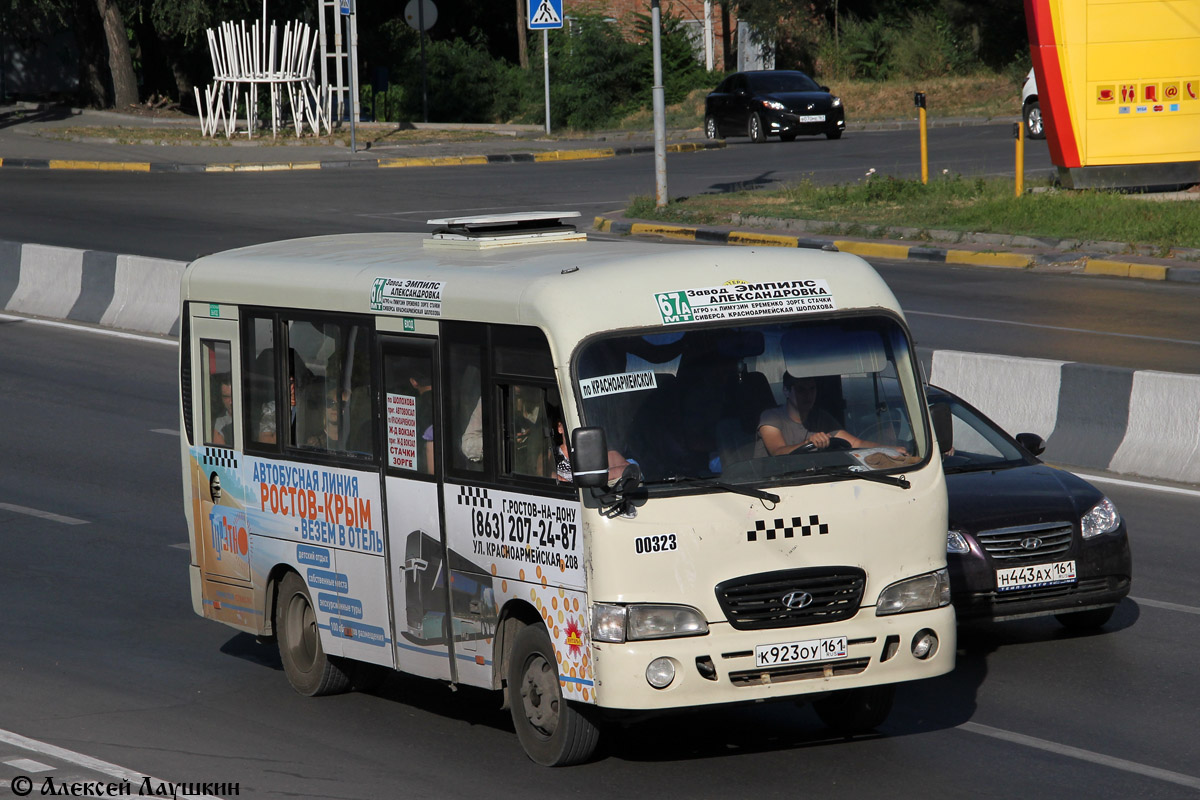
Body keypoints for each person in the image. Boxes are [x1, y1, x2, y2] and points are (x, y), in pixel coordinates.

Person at [754, 373, 888, 457]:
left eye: (812, 389)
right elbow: (777, 452)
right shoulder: (770, 417)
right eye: (801, 390)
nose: (808, 395)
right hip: (772, 485)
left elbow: (855, 443)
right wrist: (808, 443)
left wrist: (890, 450)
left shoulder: (821, 417)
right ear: (786, 391)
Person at [212, 375, 233, 445]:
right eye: (226, 397)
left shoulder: (258, 415)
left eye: (234, 396)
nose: (231, 402)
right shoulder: (220, 424)